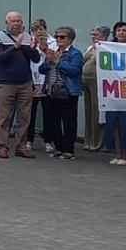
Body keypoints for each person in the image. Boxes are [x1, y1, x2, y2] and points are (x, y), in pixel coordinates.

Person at [0, 11, 40, 160]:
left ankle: (21, 146)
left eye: (18, 21)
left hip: (25, 82)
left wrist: (32, 49)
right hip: (5, 83)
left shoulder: (28, 37)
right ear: (6, 23)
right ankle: (3, 146)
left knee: (24, 116)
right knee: (4, 117)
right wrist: (15, 46)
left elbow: (36, 59)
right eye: (13, 21)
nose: (16, 24)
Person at [38, 26, 84, 159]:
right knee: (53, 121)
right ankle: (59, 147)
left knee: (69, 121)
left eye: (62, 37)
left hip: (67, 91)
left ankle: (69, 150)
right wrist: (48, 60)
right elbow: (42, 69)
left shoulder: (75, 54)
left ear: (70, 39)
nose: (58, 39)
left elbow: (73, 71)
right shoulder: (54, 51)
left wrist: (58, 61)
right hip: (51, 90)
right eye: (57, 36)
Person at [104, 22, 126, 166]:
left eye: (124, 30)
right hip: (112, 91)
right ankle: (116, 152)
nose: (121, 32)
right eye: (118, 30)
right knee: (113, 124)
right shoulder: (108, 49)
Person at [27, 20, 57, 154]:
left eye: (40, 28)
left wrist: (45, 48)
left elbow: (55, 58)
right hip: (33, 80)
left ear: (45, 28)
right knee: (30, 112)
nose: (38, 32)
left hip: (47, 80)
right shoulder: (30, 42)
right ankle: (29, 140)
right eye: (35, 30)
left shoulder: (54, 42)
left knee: (48, 112)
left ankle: (48, 141)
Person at [80, 25, 110, 151]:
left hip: (98, 82)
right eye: (92, 34)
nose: (93, 37)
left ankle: (98, 142)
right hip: (86, 82)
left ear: (104, 36)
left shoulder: (107, 48)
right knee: (88, 112)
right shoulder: (90, 48)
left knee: (97, 112)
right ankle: (88, 140)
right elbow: (83, 61)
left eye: (96, 34)